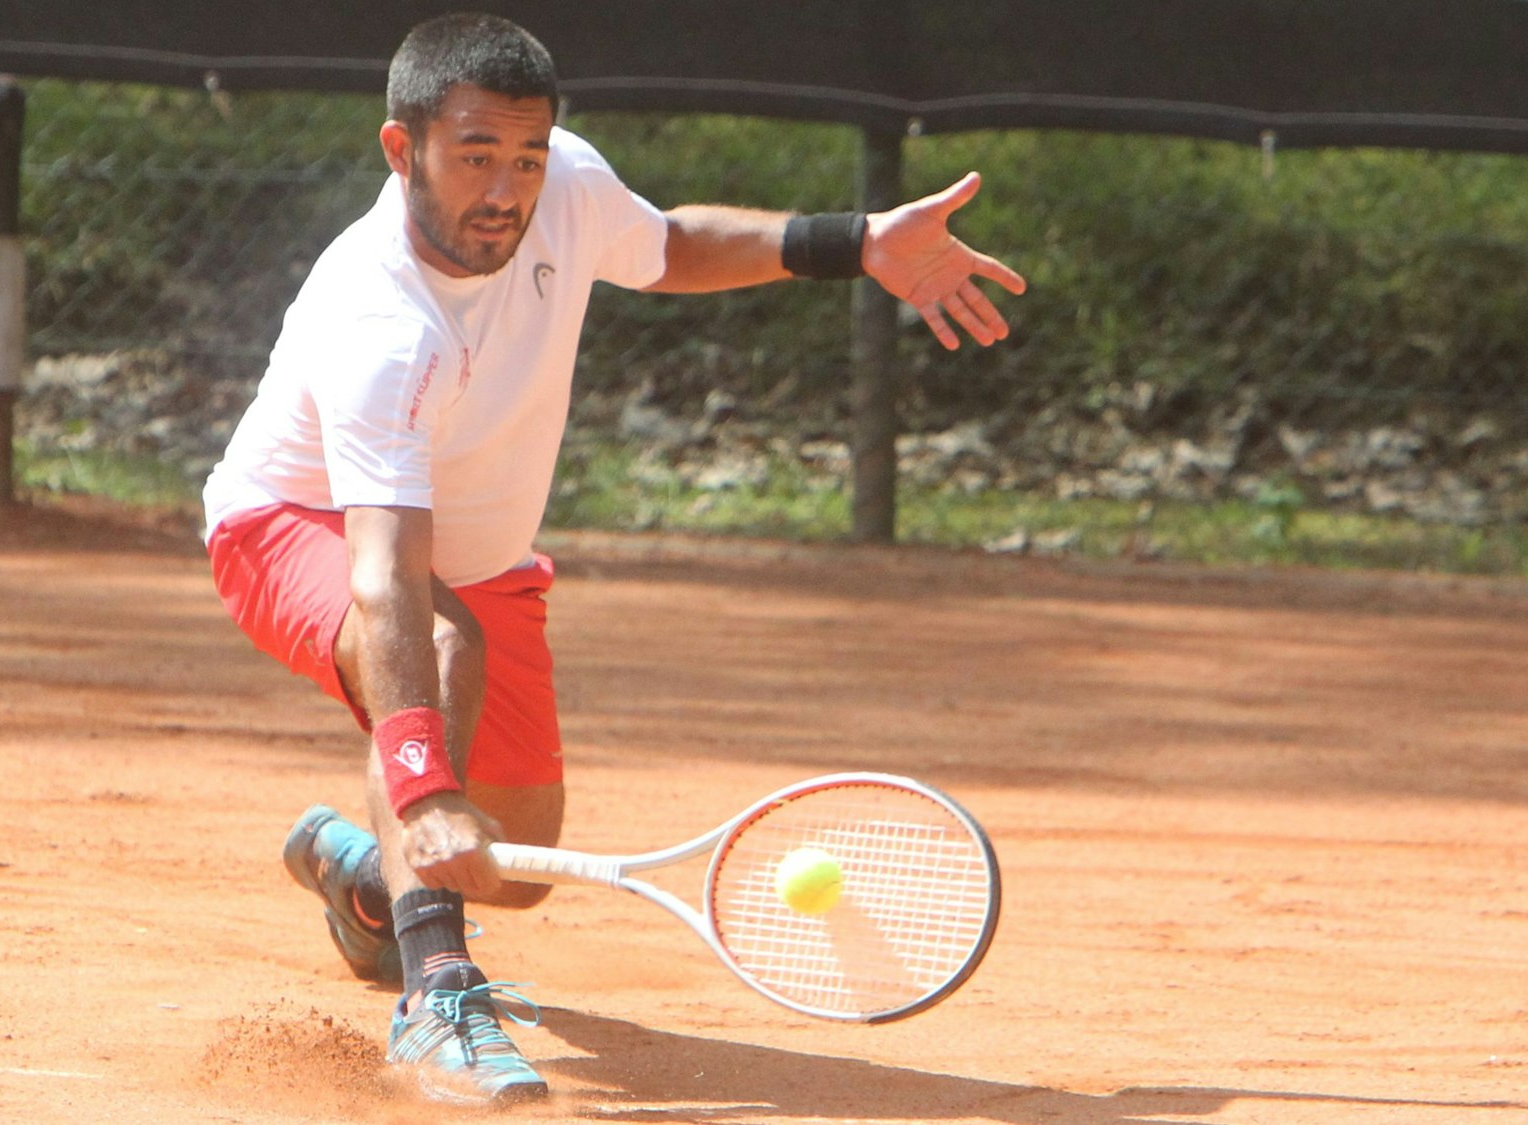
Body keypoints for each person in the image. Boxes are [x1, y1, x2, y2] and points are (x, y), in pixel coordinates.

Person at [201, 11, 1026, 1106]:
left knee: (513, 861)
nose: (506, 189)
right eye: (475, 156)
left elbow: (666, 246)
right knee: (439, 661)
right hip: (293, 525)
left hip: (481, 555)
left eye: (526, 157)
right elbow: (389, 578)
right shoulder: (379, 322)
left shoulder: (570, 187)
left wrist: (854, 241)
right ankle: (437, 995)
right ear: (403, 150)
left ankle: (368, 883)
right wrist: (422, 785)